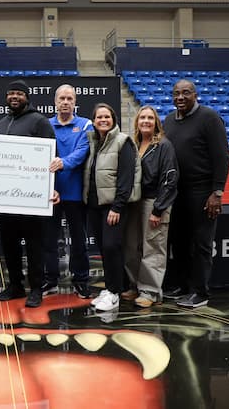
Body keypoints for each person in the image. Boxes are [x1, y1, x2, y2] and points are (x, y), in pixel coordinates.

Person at [163, 79, 229, 308]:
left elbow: (222, 157)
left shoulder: (210, 117)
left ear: (195, 94)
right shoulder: (170, 120)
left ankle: (199, 292)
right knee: (179, 242)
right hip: (177, 192)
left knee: (201, 244)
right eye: (176, 94)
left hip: (202, 192)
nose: (180, 97)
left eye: (186, 93)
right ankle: (181, 286)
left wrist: (217, 192)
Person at [0, 80, 57, 308]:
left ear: (27, 97)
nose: (14, 97)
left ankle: (36, 288)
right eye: (11, 93)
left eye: (19, 93)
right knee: (9, 245)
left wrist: (49, 187)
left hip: (32, 197)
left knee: (34, 245)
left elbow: (52, 156)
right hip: (5, 197)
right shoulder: (1, 123)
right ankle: (16, 285)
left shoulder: (39, 121)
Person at [84, 103, 141, 312]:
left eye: (107, 116)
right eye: (99, 117)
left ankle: (115, 292)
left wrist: (117, 207)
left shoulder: (122, 142)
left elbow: (126, 178)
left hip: (113, 207)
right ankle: (109, 289)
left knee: (111, 247)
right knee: (104, 249)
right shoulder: (93, 142)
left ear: (113, 119)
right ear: (93, 120)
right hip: (94, 206)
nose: (103, 120)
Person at [123, 106, 178, 308]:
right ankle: (135, 285)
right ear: (136, 121)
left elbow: (170, 179)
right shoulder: (133, 144)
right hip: (134, 202)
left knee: (153, 247)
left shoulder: (164, 145)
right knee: (131, 246)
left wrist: (158, 209)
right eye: (142, 118)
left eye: (150, 118)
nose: (146, 121)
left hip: (153, 202)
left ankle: (151, 291)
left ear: (156, 123)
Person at [44, 84, 91, 299]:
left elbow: (82, 152)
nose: (65, 102)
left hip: (75, 193)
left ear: (74, 102)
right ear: (55, 101)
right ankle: (50, 279)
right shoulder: (45, 125)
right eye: (62, 98)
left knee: (79, 240)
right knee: (49, 239)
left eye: (69, 98)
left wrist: (62, 162)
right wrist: (50, 187)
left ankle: (80, 279)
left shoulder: (85, 125)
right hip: (50, 193)